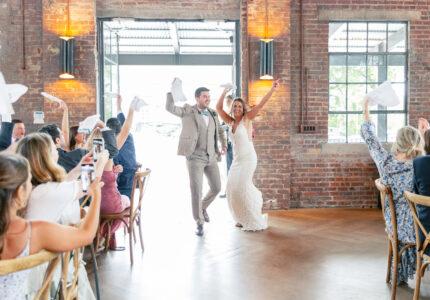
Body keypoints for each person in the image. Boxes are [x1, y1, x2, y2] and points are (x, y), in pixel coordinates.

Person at [0, 153, 105, 300]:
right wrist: (97, 197)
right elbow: (86, 235)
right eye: (29, 181)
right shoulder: (33, 231)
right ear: (19, 192)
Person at [361, 97, 423, 284]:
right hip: (421, 227)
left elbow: (369, 136)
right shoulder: (420, 165)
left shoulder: (386, 163)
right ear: (417, 143)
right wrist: (422, 133)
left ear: (398, 142)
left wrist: (365, 107)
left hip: (396, 225)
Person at [216, 80, 279, 231]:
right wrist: (225, 90)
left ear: (243, 109)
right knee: (232, 187)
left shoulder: (247, 119)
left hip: (249, 158)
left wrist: (272, 89)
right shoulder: (230, 122)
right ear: (232, 108)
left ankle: (251, 216)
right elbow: (218, 108)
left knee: (242, 186)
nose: (237, 108)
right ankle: (240, 217)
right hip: (237, 160)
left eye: (239, 106)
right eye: (235, 106)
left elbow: (261, 104)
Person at [166, 86, 227, 236]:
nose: (208, 99)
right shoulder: (188, 111)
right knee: (196, 191)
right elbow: (170, 107)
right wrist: (172, 92)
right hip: (194, 158)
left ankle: (203, 207)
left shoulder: (212, 113)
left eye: (208, 96)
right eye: (205, 96)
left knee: (217, 187)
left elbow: (219, 130)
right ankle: (199, 222)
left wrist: (224, 144)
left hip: (211, 156)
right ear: (197, 98)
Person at [107, 95, 139, 199]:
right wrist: (119, 105)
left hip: (125, 175)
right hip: (131, 172)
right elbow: (121, 116)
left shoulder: (115, 140)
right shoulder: (126, 132)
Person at [220, 95, 234, 199]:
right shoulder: (226, 115)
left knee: (234, 168)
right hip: (228, 145)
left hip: (235, 145)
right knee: (229, 168)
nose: (227, 103)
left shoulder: (234, 114)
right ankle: (228, 191)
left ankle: (232, 191)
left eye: (229, 101)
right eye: (226, 102)